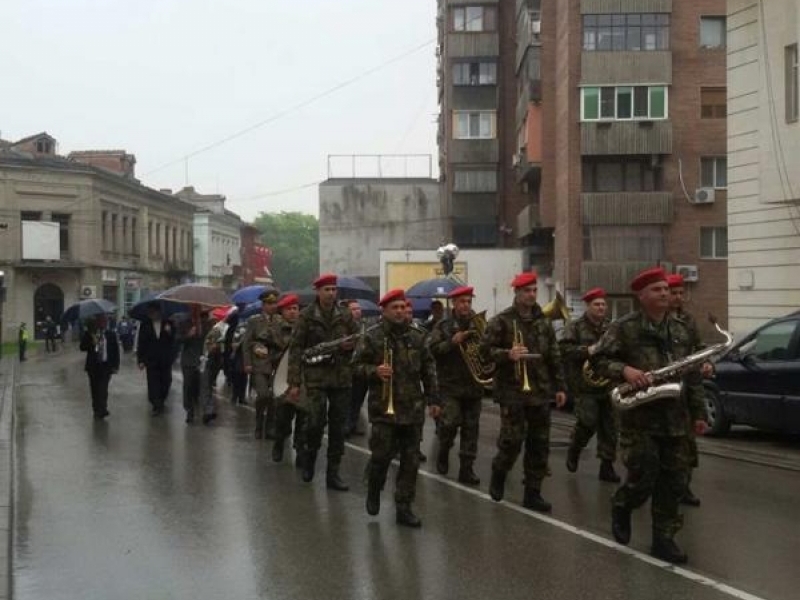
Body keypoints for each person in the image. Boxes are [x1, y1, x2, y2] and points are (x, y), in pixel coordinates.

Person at [590, 267, 708, 564]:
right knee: (643, 477)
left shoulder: (682, 329)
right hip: (639, 418)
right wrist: (625, 370)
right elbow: (598, 361)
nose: (665, 293)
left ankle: (663, 539)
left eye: (666, 288)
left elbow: (692, 373)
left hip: (676, 418)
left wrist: (699, 411)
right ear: (641, 296)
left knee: (674, 481)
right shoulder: (624, 328)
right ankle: (623, 504)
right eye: (657, 289)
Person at [480, 271, 567, 513]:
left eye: (534, 290)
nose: (531, 295)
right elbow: (484, 351)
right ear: (516, 293)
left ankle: (533, 492)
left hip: (539, 390)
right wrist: (507, 354)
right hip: (512, 390)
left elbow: (554, 356)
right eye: (526, 291)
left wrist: (560, 387)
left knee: (539, 444)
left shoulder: (544, 322)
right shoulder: (501, 321)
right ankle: (500, 471)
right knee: (512, 441)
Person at [352, 288, 439, 527]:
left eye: (403, 307)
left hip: (412, 409)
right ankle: (374, 488)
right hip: (383, 409)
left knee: (410, 462)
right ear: (385, 310)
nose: (401, 312)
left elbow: (429, 370)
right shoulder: (372, 336)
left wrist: (434, 400)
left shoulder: (418, 336)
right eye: (395, 308)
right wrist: (374, 370)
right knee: (381, 457)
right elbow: (354, 367)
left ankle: (404, 507)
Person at [287, 273, 359, 490]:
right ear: (318, 291)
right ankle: (309, 458)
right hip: (316, 377)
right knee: (315, 423)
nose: (331, 293)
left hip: (341, 377)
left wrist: (351, 346)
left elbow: (357, 339)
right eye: (326, 289)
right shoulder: (306, 316)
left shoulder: (345, 315)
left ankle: (333, 473)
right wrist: (294, 382)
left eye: (333, 289)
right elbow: (296, 348)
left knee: (338, 427)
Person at [560, 287, 620, 483]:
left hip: (607, 383)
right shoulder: (575, 327)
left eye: (603, 304)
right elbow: (565, 351)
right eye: (597, 304)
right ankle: (575, 448)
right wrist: (588, 350)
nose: (601, 307)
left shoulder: (611, 327)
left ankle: (607, 465)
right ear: (588, 306)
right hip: (584, 385)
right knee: (588, 422)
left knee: (610, 426)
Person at [428, 286, 484, 485]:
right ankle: (444, 449)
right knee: (449, 423)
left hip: (473, 385)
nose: (466, 305)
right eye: (462, 302)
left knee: (471, 429)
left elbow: (489, 348)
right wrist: (452, 342)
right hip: (450, 386)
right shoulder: (442, 326)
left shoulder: (479, 324)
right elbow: (433, 350)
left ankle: (466, 469)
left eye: (468, 301)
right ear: (453, 303)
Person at [667, 273, 707, 507]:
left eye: (681, 293)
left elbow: (699, 348)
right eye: (674, 293)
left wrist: (706, 362)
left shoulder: (689, 321)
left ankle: (683, 488)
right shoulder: (658, 321)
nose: (678, 297)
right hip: (663, 388)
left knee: (688, 443)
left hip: (687, 387)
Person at [271, 294, 305, 463]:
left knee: (303, 417)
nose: (293, 312)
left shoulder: (306, 328)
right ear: (282, 311)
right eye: (289, 309)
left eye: (295, 309)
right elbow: (262, 344)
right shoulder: (275, 328)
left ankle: (300, 449)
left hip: (302, 378)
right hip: (282, 378)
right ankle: (279, 442)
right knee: (284, 417)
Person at [242, 288, 280, 439]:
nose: (273, 306)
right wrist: (247, 363)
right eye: (269, 303)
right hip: (259, 363)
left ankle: (270, 426)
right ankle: (259, 422)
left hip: (275, 363)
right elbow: (246, 343)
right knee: (263, 395)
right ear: (263, 305)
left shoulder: (279, 321)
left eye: (274, 303)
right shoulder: (254, 321)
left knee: (273, 398)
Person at [136, 303, 176, 416]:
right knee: (153, 383)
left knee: (166, 382)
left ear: (159, 312)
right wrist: (141, 360)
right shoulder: (145, 325)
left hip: (165, 359)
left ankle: (161, 401)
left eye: (153, 312)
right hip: (151, 359)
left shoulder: (168, 323)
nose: (151, 314)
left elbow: (174, 341)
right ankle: (156, 405)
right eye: (149, 312)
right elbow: (141, 343)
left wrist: (170, 332)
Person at [79, 314, 120, 420]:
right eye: (101, 321)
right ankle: (96, 409)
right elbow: (82, 347)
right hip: (93, 366)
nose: (103, 323)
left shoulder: (110, 334)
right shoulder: (90, 334)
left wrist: (115, 366)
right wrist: (91, 342)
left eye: (105, 321)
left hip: (106, 366)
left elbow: (115, 351)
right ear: (96, 322)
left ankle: (102, 409)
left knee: (103, 388)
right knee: (95, 389)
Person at [178, 309, 214, 424]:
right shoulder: (184, 321)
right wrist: (188, 335)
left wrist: (213, 346)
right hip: (188, 360)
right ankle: (190, 410)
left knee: (205, 386)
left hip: (203, 360)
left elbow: (212, 340)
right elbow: (177, 339)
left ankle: (208, 411)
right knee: (188, 387)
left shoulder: (209, 323)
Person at [345, 299, 369, 437]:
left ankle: (353, 423)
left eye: (358, 308)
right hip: (347, 367)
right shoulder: (343, 326)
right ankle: (346, 425)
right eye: (353, 309)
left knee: (358, 399)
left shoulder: (365, 326)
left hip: (362, 367)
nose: (357, 311)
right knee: (348, 398)